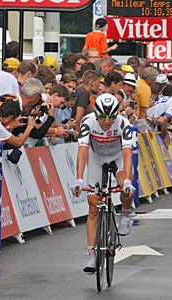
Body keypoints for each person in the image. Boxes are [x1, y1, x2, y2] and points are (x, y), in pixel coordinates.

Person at [72, 93, 135, 273]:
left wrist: (128, 182)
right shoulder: (88, 121)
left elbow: (127, 153)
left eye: (111, 118)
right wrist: (78, 179)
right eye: (102, 117)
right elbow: (83, 151)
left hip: (118, 159)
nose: (106, 122)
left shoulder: (123, 123)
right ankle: (92, 255)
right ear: (96, 114)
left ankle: (125, 212)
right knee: (93, 208)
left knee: (125, 186)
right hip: (97, 159)